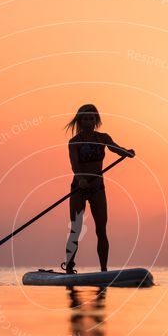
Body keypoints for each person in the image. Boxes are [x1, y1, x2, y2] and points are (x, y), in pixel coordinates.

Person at [62, 104, 135, 273]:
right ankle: (69, 267)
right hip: (78, 189)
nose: (89, 122)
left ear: (96, 120)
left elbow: (116, 149)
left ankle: (104, 270)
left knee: (101, 230)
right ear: (80, 121)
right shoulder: (74, 142)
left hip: (98, 189)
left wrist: (127, 152)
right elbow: (74, 164)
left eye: (92, 118)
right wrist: (80, 179)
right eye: (86, 119)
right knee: (76, 229)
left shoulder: (103, 138)